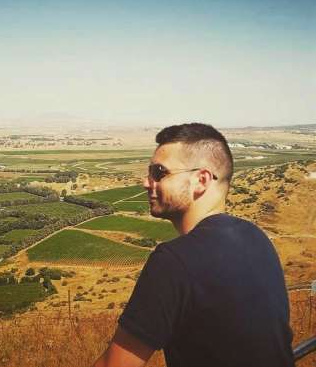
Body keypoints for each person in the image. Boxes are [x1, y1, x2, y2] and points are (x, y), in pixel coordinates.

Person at [92, 123, 294, 367]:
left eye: (159, 172)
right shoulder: (256, 237)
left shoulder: (174, 261)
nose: (147, 183)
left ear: (201, 180)